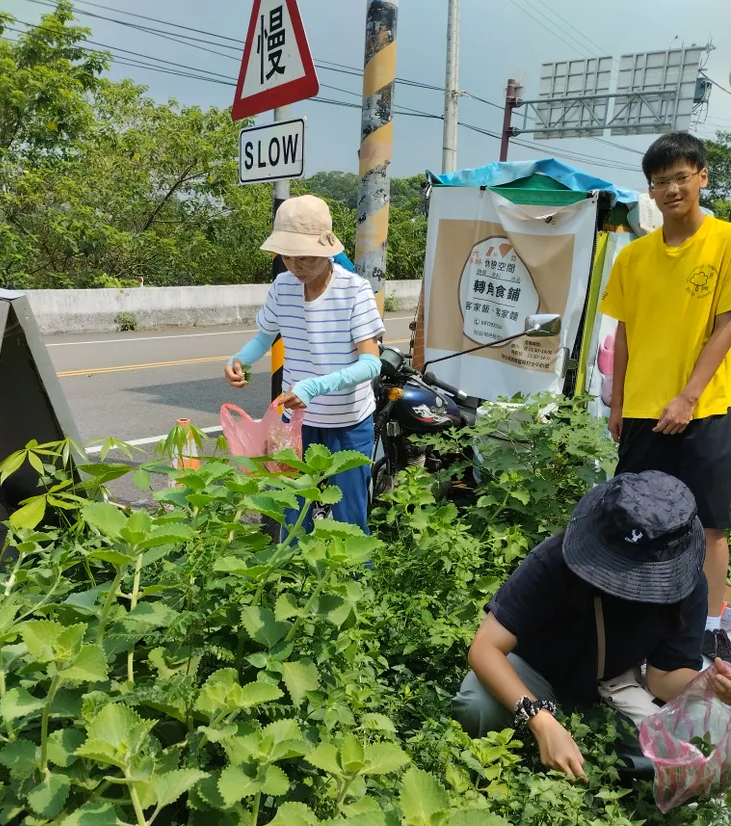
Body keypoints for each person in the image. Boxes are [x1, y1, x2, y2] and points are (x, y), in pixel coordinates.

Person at [452, 471, 731, 781]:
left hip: (609, 691)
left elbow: (663, 678)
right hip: (536, 674)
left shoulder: (687, 586)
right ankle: (543, 752)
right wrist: (540, 720)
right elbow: (484, 648)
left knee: (696, 752)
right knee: (477, 706)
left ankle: (592, 756)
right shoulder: (555, 560)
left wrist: (709, 684)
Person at [599, 132, 731, 660]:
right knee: (634, 518)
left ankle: (711, 630)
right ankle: (638, 615)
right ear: (650, 191)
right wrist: (617, 403)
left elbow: (725, 325)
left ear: (701, 176)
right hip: (641, 411)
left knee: (709, 525)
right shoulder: (633, 257)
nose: (672, 189)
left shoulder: (724, 241)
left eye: (681, 177)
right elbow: (624, 334)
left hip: (707, 409)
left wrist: (689, 397)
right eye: (661, 181)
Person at [225, 195, 384, 535]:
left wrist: (315, 386)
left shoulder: (355, 291)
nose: (296, 266)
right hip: (295, 422)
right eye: (287, 256)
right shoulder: (282, 286)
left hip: (347, 422)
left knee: (349, 517)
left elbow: (372, 364)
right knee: (292, 513)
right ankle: (291, 583)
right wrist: (239, 360)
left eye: (306, 257)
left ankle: (355, 581)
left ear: (327, 249)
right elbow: (264, 338)